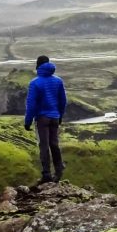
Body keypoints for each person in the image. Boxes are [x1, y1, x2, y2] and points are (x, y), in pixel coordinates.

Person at [24, 55, 67, 183]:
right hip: (55, 117)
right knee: (54, 144)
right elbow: (63, 101)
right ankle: (59, 170)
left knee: (44, 146)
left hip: (42, 118)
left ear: (38, 66)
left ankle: (46, 174)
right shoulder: (58, 81)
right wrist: (60, 116)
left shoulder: (35, 83)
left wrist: (28, 122)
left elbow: (31, 105)